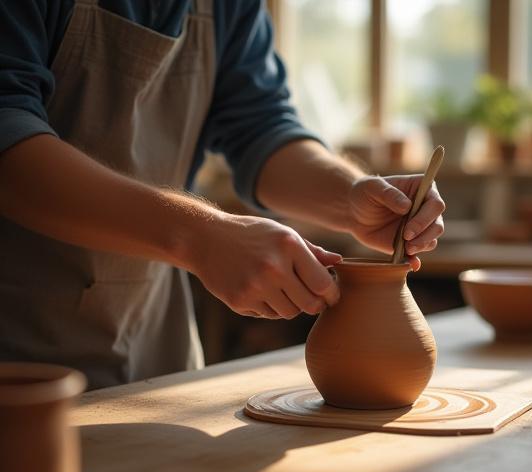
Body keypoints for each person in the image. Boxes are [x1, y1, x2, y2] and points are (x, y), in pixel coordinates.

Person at [0, 0, 445, 389]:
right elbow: (9, 140)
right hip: (21, 353)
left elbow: (262, 128)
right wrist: (201, 237)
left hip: (154, 343)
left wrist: (349, 196)